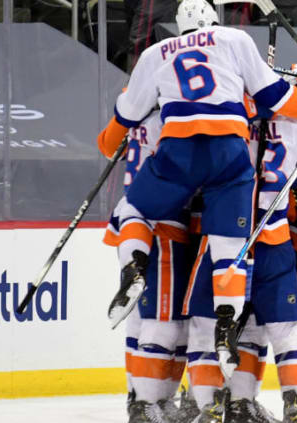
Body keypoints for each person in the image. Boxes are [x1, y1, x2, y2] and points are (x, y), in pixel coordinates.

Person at [95, 0, 297, 420]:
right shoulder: (234, 40)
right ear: (214, 18)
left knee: (132, 211)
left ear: (176, 28)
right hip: (239, 173)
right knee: (253, 285)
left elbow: (113, 135)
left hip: (177, 158)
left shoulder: (154, 56)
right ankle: (230, 320)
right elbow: (276, 97)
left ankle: (132, 265)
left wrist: (114, 137)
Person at [102, 110, 200, 423]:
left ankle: (146, 398)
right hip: (163, 220)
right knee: (165, 322)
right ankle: (147, 402)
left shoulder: (136, 101)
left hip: (132, 219)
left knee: (143, 319)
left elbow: (107, 145)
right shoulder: (178, 107)